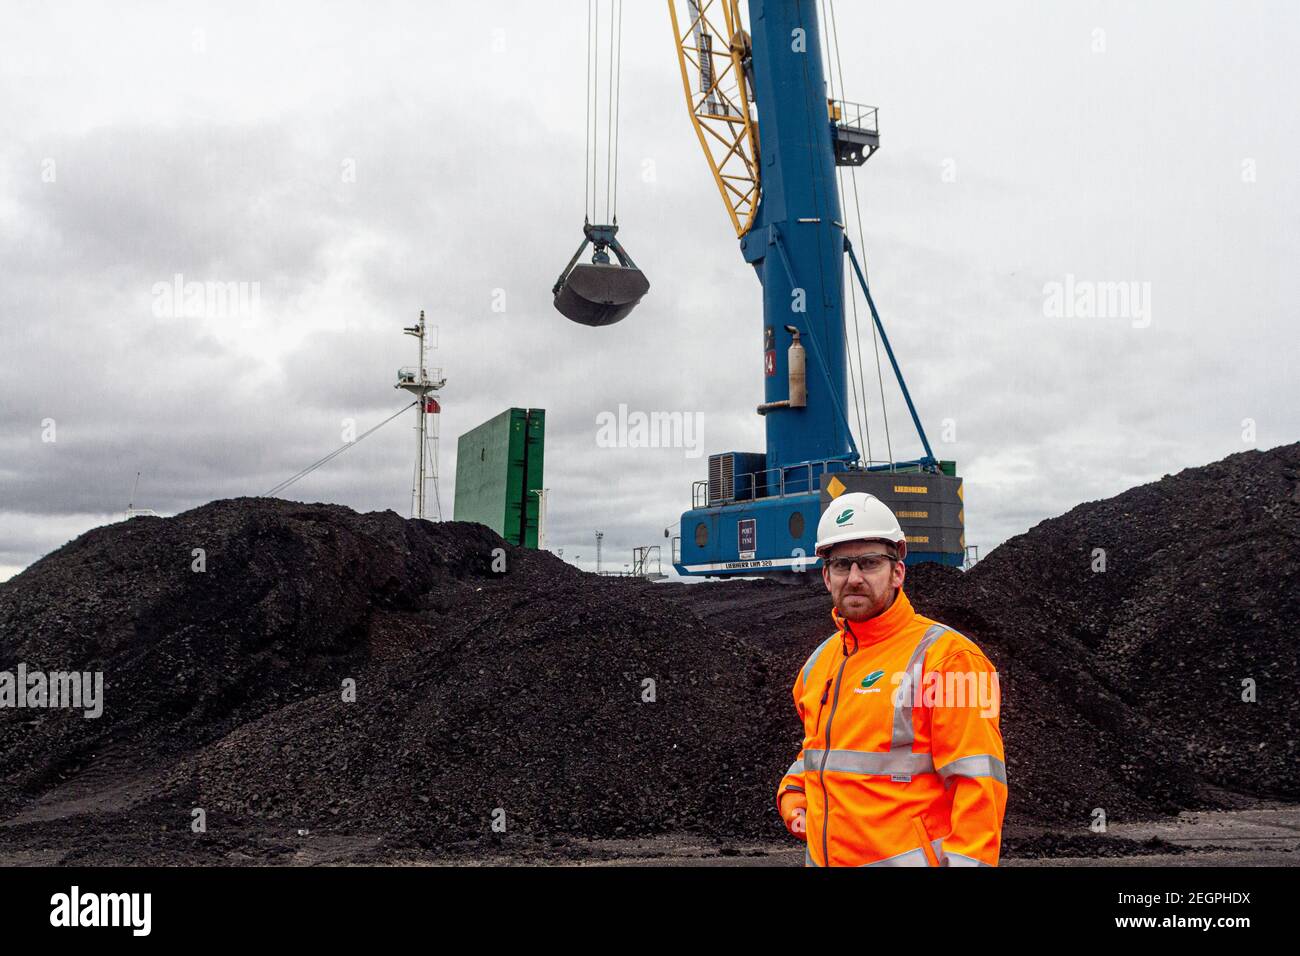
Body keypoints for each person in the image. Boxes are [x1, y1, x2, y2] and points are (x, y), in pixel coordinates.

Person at [777, 492, 1007, 866]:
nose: (853, 578)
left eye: (869, 563)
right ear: (825, 576)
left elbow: (979, 789)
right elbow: (820, 752)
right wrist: (794, 794)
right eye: (841, 565)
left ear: (897, 571)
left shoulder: (951, 660)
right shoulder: (819, 665)